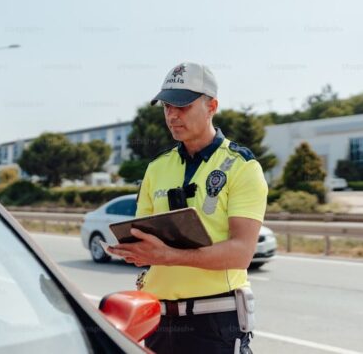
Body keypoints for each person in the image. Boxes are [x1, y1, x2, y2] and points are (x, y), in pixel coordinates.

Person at [109, 62, 268, 353]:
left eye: (183, 106)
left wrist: (168, 256)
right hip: (157, 319)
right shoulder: (156, 168)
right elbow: (144, 238)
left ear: (212, 106)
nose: (172, 115)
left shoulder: (241, 166)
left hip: (214, 321)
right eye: (167, 106)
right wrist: (134, 250)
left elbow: (242, 252)